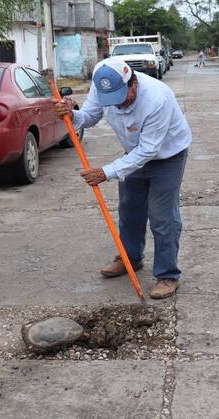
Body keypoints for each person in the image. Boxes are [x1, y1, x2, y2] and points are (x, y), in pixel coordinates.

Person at [54, 58, 192, 299]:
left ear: (133, 83)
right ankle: (130, 258)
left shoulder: (157, 98)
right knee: (129, 210)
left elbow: (149, 150)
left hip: (167, 155)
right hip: (132, 153)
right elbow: (89, 116)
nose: (117, 104)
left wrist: (105, 172)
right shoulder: (103, 82)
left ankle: (168, 275)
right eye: (112, 99)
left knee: (162, 216)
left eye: (122, 96)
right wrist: (72, 114)